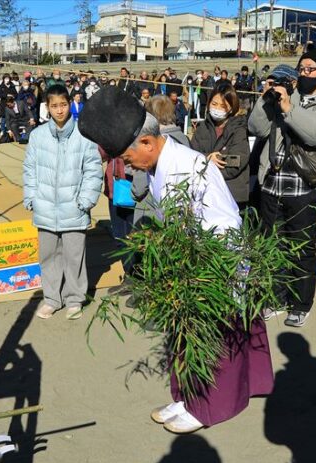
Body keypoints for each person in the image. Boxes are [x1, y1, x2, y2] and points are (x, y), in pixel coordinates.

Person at [79, 88, 269, 434]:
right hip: (187, 260)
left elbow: (222, 223)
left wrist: (198, 269)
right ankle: (186, 397)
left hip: (214, 264)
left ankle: (208, 406)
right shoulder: (160, 164)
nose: (126, 165)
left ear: (148, 143)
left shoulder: (186, 167)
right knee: (181, 334)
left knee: (209, 337)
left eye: (126, 157)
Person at [248, 52, 316, 328]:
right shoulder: (284, 95)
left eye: (310, 69)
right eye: (300, 68)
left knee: (301, 249)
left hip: (305, 187)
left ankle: (301, 303)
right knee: (272, 245)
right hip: (273, 183)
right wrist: (266, 97)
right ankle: (275, 296)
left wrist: (290, 108)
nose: (303, 73)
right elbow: (256, 127)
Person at [23, 84, 102, 320]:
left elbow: (93, 169)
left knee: (74, 255)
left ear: (70, 104)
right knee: (48, 255)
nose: (59, 110)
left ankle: (74, 298)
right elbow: (30, 169)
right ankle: (51, 298)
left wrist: (86, 199)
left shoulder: (84, 135)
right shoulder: (37, 136)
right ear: (47, 108)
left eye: (63, 105)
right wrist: (31, 196)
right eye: (54, 106)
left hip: (74, 206)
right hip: (45, 206)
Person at [190, 82, 250, 208]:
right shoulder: (202, 128)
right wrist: (207, 158)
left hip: (230, 194)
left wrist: (208, 167)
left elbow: (236, 161)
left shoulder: (239, 129)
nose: (217, 109)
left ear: (231, 108)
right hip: (204, 194)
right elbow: (191, 156)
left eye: (223, 106)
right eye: (214, 104)